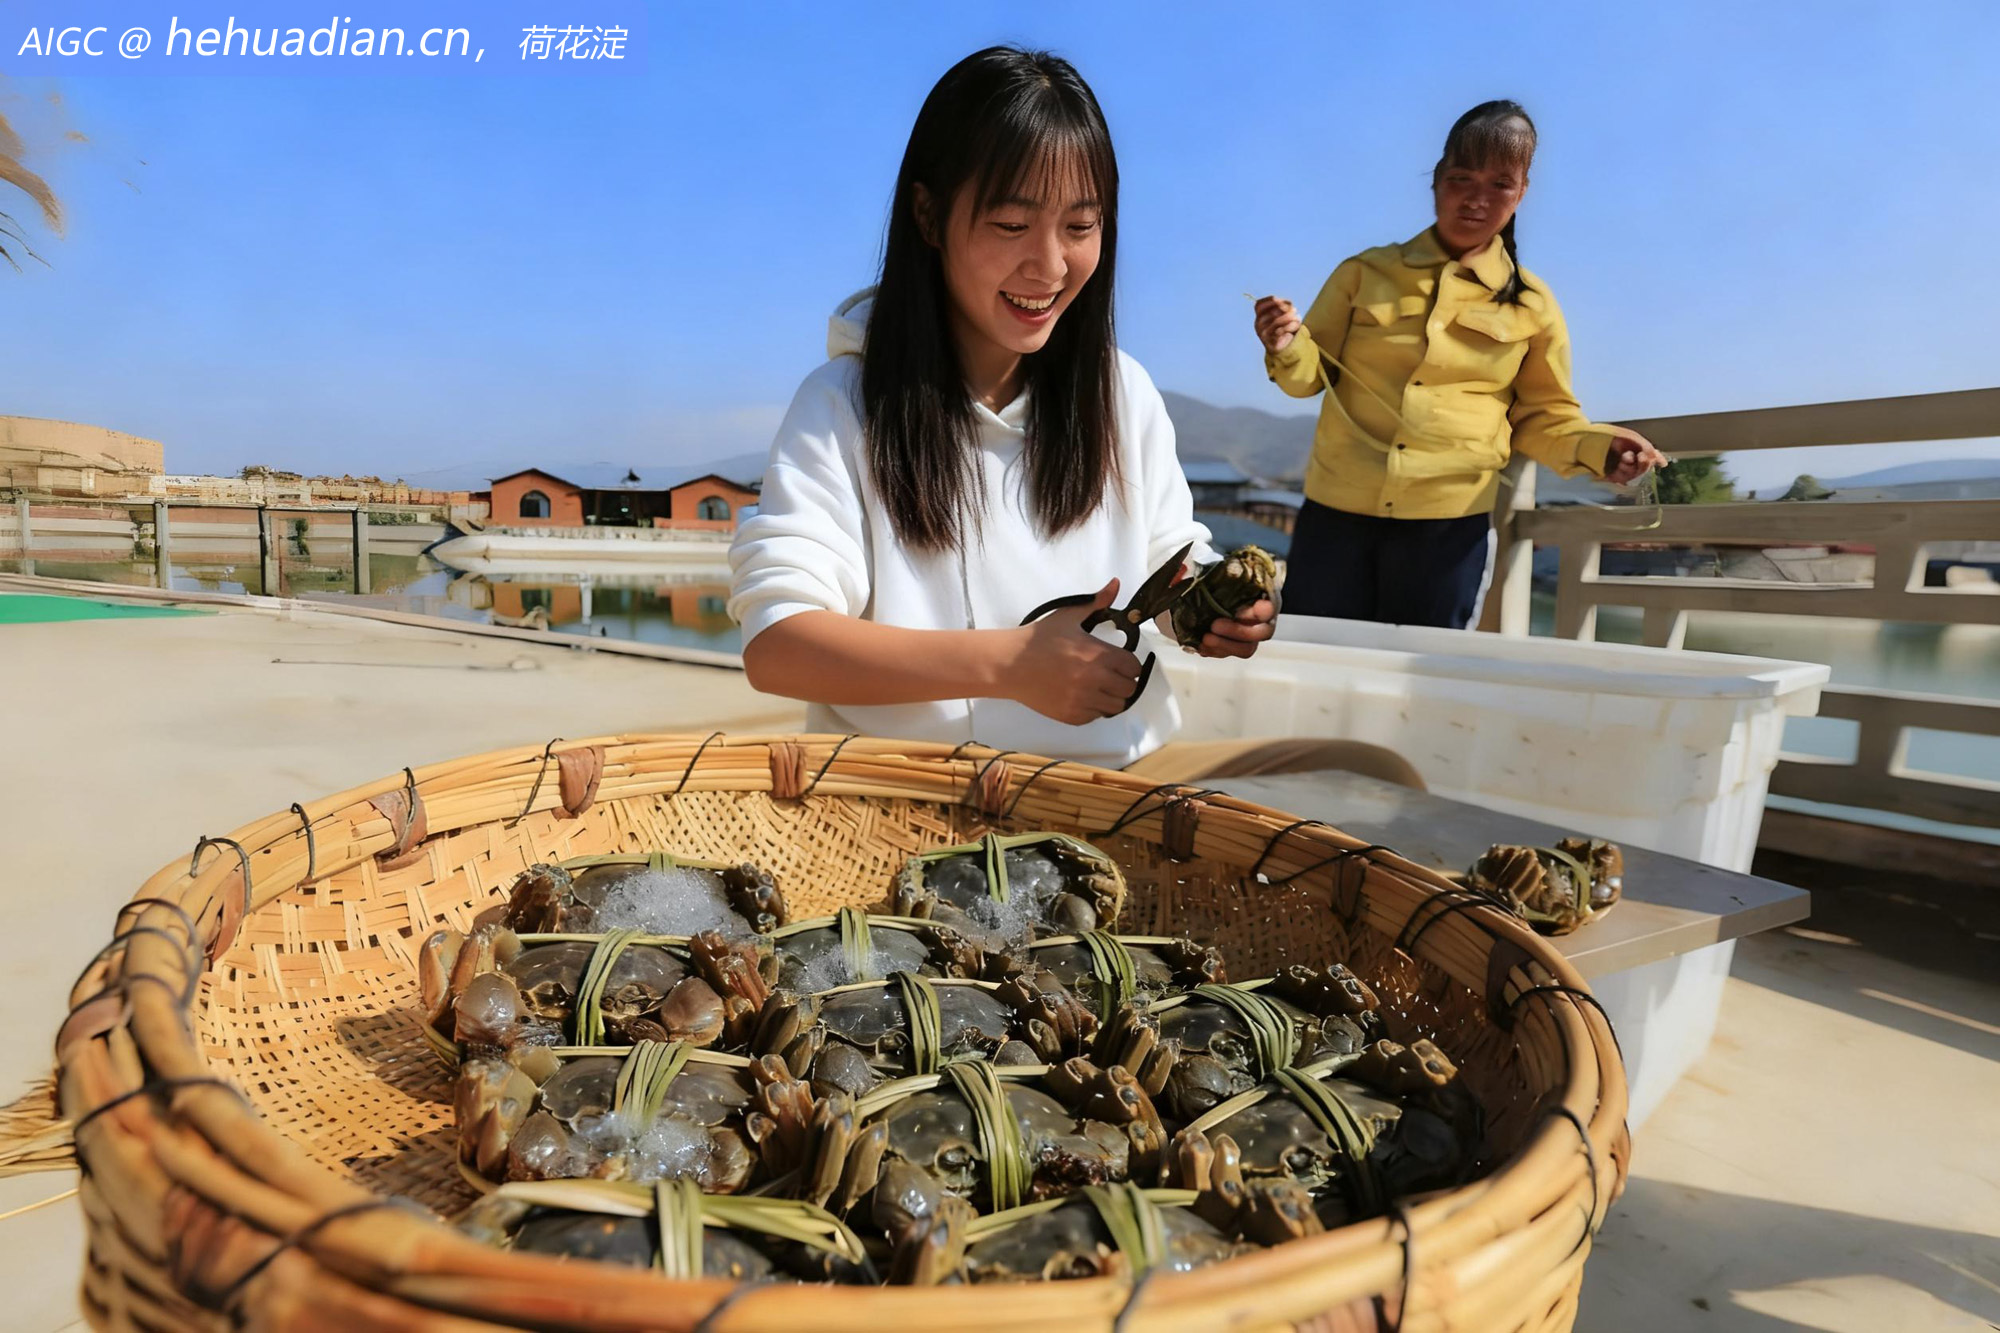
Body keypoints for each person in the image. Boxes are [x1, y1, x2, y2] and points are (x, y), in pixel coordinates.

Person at [728, 47, 1417, 789]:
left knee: (1372, 774)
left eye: (1081, 226)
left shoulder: (1121, 392)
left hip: (1123, 779)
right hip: (923, 789)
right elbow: (779, 645)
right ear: (929, 215)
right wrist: (1009, 665)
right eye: (1011, 224)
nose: (1051, 266)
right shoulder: (843, 405)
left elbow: (1169, 563)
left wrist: (1214, 608)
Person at [1253, 100, 1666, 630]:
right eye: (1461, 179)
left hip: (1450, 527)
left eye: (1500, 184)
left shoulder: (1533, 304)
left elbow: (1543, 417)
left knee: (1423, 669)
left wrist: (1599, 448)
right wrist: (1286, 344)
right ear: (1436, 180)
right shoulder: (1363, 273)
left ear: (1522, 192)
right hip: (1336, 516)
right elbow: (1309, 377)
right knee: (1316, 658)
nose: (1476, 198)